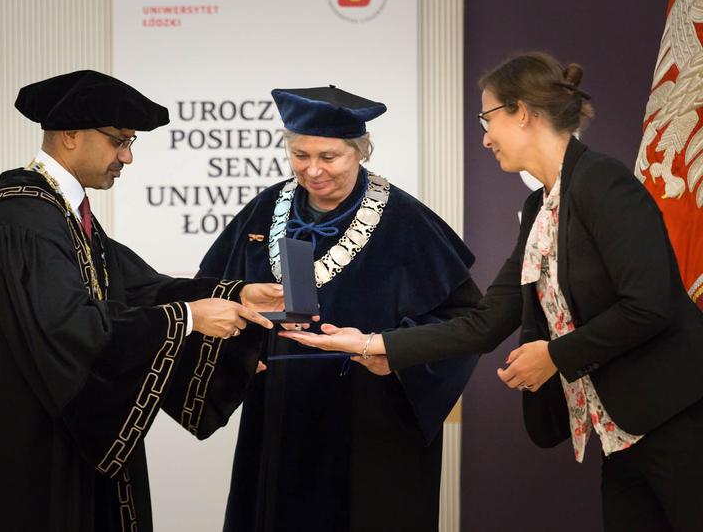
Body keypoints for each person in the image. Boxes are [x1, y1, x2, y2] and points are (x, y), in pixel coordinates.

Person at [280, 53, 703, 532]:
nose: (484, 137)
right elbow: (486, 322)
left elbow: (650, 306)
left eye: (488, 118)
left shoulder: (604, 184)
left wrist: (555, 356)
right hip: (619, 435)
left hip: (677, 418)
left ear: (522, 113)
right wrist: (374, 345)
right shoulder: (540, 205)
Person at [0, 70, 284, 532]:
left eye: (131, 143)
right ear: (69, 135)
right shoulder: (22, 217)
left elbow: (139, 289)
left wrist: (235, 294)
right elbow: (67, 325)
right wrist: (187, 318)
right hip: (31, 443)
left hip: (67, 439)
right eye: (119, 141)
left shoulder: (62, 212)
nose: (128, 157)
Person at [198, 85, 482, 532]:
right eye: (300, 155)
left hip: (373, 420)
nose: (313, 171)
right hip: (279, 415)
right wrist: (238, 347)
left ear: (360, 151)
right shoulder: (265, 210)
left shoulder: (406, 220)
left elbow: (465, 321)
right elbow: (211, 293)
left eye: (329, 157)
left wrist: (391, 351)